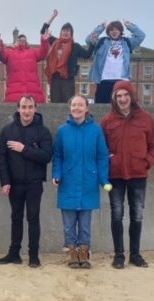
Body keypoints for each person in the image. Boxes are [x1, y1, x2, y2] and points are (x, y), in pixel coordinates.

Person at [101, 81, 154, 269]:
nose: (122, 99)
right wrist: (109, 160)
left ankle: (135, 254)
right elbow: (101, 149)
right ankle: (119, 255)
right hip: (116, 176)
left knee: (137, 216)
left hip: (138, 175)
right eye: (118, 96)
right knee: (117, 215)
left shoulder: (146, 119)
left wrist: (146, 162)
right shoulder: (107, 121)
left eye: (125, 95)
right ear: (114, 99)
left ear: (132, 96)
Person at [52, 95, 111, 268]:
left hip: (88, 182)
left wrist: (103, 179)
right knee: (69, 224)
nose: (76, 108)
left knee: (85, 223)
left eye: (80, 105)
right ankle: (71, 252)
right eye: (74, 105)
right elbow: (58, 156)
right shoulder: (62, 131)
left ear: (86, 108)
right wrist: (57, 174)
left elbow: (102, 156)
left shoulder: (96, 130)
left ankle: (84, 252)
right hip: (68, 182)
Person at [0, 95, 52, 267]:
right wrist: (5, 182)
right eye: (23, 107)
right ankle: (14, 253)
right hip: (15, 183)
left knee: (33, 218)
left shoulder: (43, 132)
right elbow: (1, 158)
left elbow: (46, 156)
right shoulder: (7, 131)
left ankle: (33, 255)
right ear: (18, 109)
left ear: (35, 109)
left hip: (34, 184)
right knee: (16, 217)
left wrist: (24, 149)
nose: (26, 111)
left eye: (30, 107)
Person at [85, 20, 145, 104]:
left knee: (122, 106)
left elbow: (141, 36)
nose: (114, 32)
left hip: (122, 79)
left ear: (120, 31)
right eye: (111, 30)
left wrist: (130, 26)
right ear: (108, 31)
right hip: (104, 79)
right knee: (101, 106)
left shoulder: (127, 42)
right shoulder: (102, 42)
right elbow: (88, 40)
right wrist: (100, 28)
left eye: (117, 29)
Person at [41, 9, 94, 103]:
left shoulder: (75, 46)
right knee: (55, 103)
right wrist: (52, 17)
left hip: (68, 79)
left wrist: (92, 43)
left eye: (68, 31)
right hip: (55, 78)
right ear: (61, 32)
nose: (65, 32)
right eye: (64, 30)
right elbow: (43, 31)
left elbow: (87, 55)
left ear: (71, 34)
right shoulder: (55, 42)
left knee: (68, 103)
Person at [0, 32, 49, 103]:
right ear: (16, 42)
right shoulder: (10, 52)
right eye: (20, 40)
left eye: (24, 40)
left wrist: (44, 41)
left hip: (33, 93)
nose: (22, 42)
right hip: (14, 94)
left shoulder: (33, 52)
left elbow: (43, 53)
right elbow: (1, 55)